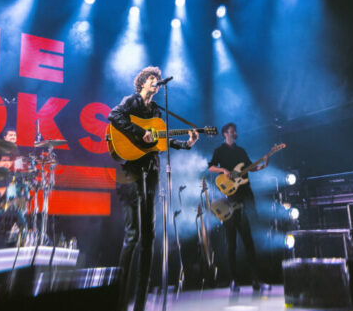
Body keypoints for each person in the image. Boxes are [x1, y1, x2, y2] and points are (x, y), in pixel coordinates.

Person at [108, 66, 199, 311]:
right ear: (142, 83)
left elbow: (161, 139)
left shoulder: (157, 111)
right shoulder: (131, 101)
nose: (155, 82)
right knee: (133, 235)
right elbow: (113, 116)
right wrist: (141, 132)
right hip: (131, 171)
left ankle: (139, 303)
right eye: (151, 78)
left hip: (152, 170)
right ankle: (119, 300)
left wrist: (187, 143)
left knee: (148, 236)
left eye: (157, 80)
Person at [207, 122, 268, 292]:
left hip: (243, 197)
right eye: (232, 131)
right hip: (229, 200)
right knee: (231, 243)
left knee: (248, 241)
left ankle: (256, 280)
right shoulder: (219, 151)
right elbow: (210, 166)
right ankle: (234, 280)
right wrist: (223, 170)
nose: (235, 133)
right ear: (225, 134)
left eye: (235, 131)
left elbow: (250, 167)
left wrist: (263, 165)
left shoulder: (241, 151)